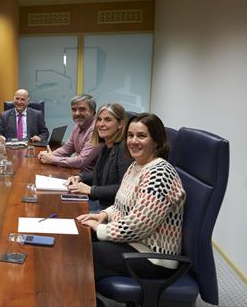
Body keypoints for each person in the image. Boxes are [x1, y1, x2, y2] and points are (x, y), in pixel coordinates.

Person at [76, 113, 186, 285]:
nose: (133, 141)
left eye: (141, 136)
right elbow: (121, 203)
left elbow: (138, 225)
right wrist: (103, 215)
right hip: (132, 243)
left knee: (81, 254)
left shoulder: (160, 174)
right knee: (78, 238)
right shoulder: (136, 165)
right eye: (130, 135)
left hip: (153, 257)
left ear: (157, 141)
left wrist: (100, 229)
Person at [64, 103, 134, 210]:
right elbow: (100, 174)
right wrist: (80, 177)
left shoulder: (124, 148)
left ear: (120, 124)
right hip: (99, 202)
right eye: (99, 119)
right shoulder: (106, 145)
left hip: (110, 209)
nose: (101, 124)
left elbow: (123, 188)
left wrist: (91, 190)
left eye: (107, 120)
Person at [38, 93, 101, 171]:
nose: (77, 113)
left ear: (93, 111)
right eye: (74, 110)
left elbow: (81, 161)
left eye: (82, 109)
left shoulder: (97, 129)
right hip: (78, 173)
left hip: (91, 178)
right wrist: (48, 155)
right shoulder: (78, 125)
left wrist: (52, 159)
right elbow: (67, 149)